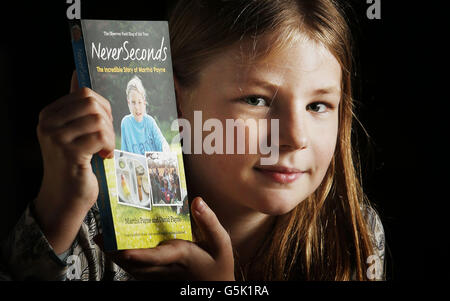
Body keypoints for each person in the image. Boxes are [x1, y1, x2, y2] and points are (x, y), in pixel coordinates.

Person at [0, 0, 385, 281]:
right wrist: (56, 210)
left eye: (319, 105)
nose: (296, 138)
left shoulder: (354, 231)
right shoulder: (99, 234)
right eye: (256, 100)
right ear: (174, 102)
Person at [121, 76, 170, 155]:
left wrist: (165, 148)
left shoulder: (149, 121)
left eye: (139, 102)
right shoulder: (125, 123)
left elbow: (161, 142)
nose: (137, 107)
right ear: (128, 103)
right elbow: (124, 151)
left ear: (144, 102)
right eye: (133, 102)